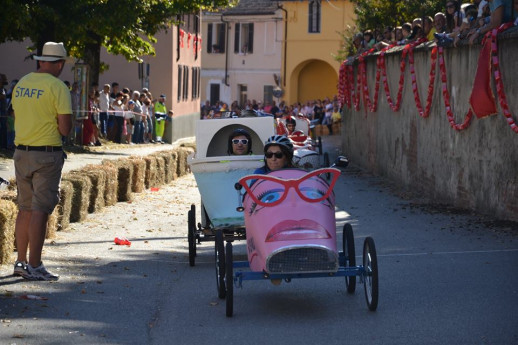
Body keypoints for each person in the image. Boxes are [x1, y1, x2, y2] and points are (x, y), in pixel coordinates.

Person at [11, 41, 73, 281]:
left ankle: (21, 261)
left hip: (20, 152)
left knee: (24, 209)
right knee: (40, 210)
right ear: (58, 64)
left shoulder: (23, 83)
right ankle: (35, 265)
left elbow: (15, 114)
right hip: (46, 154)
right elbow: (65, 129)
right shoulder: (58, 87)